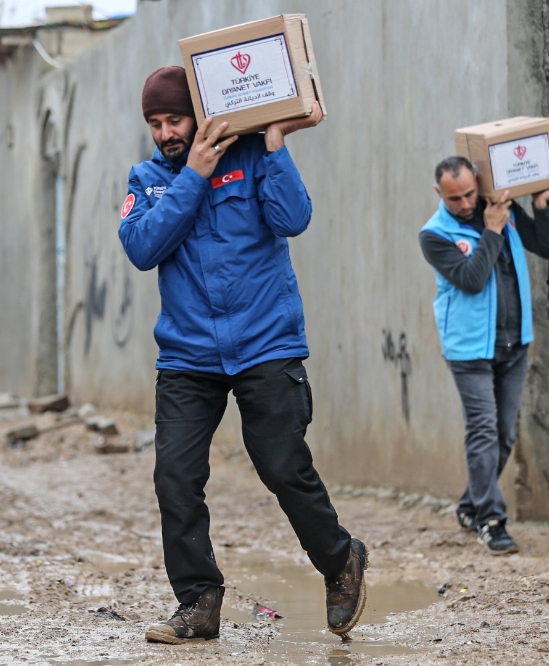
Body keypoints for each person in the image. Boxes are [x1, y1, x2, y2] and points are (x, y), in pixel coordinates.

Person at [118, 65, 367, 644]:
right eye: (155, 123)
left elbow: (293, 220)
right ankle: (197, 603)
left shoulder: (253, 156)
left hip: (265, 342)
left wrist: (275, 145)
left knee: (282, 465)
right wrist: (195, 178)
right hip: (187, 354)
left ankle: (340, 560)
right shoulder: (148, 178)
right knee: (175, 478)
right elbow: (142, 247)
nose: (165, 133)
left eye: (174, 119)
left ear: (200, 114)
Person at [419, 156, 549, 554]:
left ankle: (469, 505)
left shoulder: (502, 208)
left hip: (514, 343)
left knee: (504, 434)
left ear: (478, 183)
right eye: (455, 198)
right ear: (439, 194)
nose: (465, 204)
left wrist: (539, 204)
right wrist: (492, 231)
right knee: (483, 430)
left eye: (469, 194)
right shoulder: (434, 234)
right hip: (469, 350)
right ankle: (490, 520)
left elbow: (547, 247)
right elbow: (471, 278)